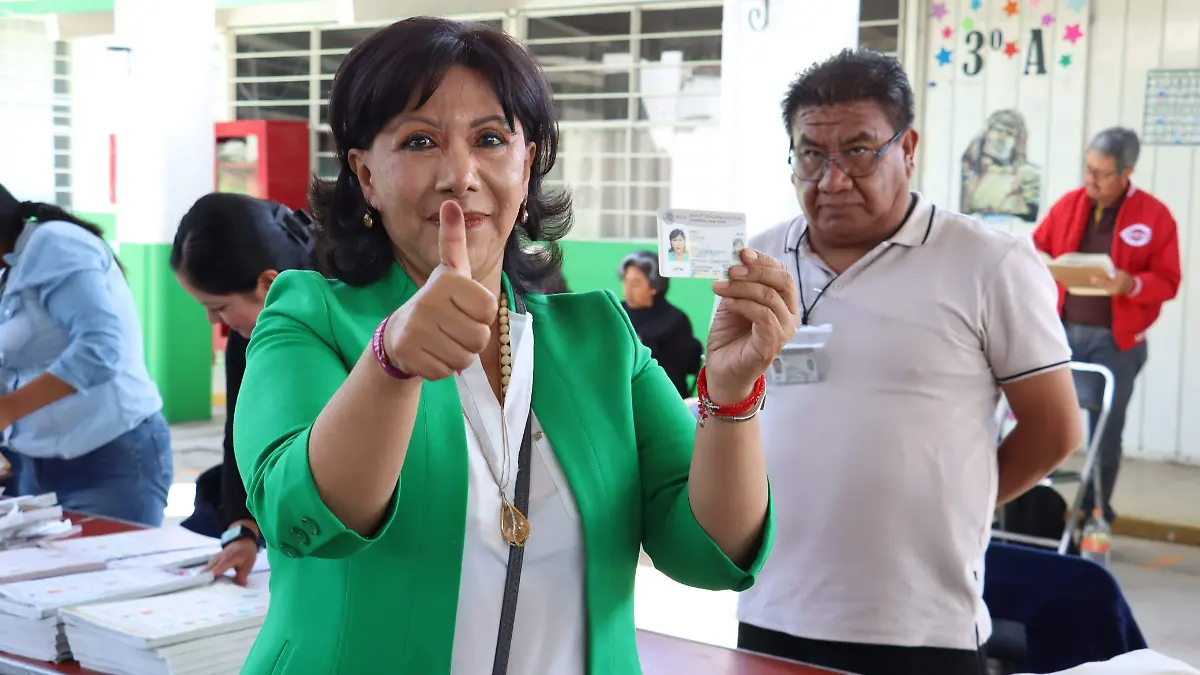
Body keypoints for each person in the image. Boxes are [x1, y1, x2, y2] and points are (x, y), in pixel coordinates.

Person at [233, 17, 798, 675]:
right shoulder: (311, 315)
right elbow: (301, 516)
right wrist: (391, 364)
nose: (460, 174)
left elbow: (710, 553)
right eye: (420, 141)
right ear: (364, 175)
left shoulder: (599, 337)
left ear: (526, 165)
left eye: (491, 139)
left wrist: (730, 394)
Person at [733, 49, 1082, 675]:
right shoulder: (758, 262)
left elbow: (1055, 429)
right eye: (811, 154)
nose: (833, 180)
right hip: (770, 607)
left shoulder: (989, 263)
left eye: (859, 152)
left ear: (908, 147)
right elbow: (731, 406)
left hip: (922, 623)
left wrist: (955, 503)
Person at [1032, 127, 1181, 523]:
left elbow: (1169, 280)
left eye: (1101, 173)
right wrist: (1042, 263)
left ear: (1127, 172)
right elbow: (1037, 245)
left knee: (1105, 435)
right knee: (1039, 422)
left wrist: (1130, 284)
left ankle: (1094, 515)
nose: (1091, 180)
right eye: (1088, 169)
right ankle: (1032, 511)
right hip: (1061, 335)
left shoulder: (1154, 215)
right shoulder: (1069, 205)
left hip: (1117, 343)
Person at [0, 183, 171, 525]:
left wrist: (6, 411)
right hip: (34, 465)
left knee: (116, 560)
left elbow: (99, 348)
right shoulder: (12, 266)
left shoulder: (55, 243)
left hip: (109, 458)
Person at [170, 192, 315, 585]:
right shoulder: (246, 336)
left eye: (218, 307)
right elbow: (239, 433)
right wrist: (242, 528)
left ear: (268, 284)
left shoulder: (347, 323)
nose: (211, 320)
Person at [619, 250, 703, 397]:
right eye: (626, 281)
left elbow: (673, 377)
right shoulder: (617, 312)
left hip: (660, 397)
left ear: (654, 287)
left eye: (636, 284)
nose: (628, 290)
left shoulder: (676, 321)